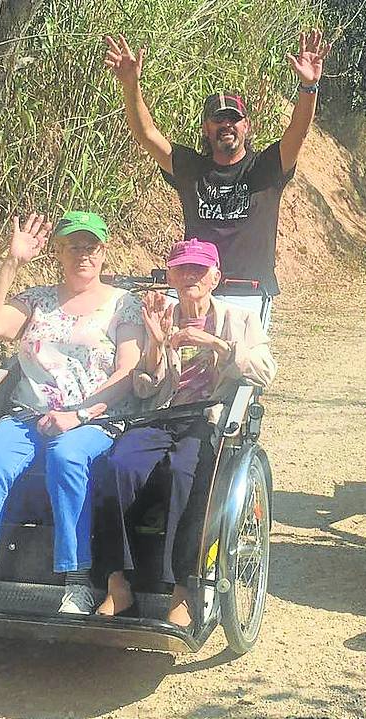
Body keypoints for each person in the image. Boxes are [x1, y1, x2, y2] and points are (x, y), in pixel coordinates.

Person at [0, 211, 143, 613]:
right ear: (58, 252)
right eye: (73, 246)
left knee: (67, 458)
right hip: (28, 413)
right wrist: (11, 261)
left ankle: (78, 582)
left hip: (92, 416)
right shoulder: (38, 299)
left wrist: (78, 415)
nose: (83, 255)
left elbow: (128, 370)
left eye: (91, 246)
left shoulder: (125, 305)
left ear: (104, 252)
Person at [92, 238, 275, 626]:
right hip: (162, 414)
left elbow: (264, 371)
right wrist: (156, 345)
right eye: (182, 269)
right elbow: (144, 386)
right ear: (171, 275)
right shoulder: (163, 313)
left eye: (199, 269)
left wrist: (218, 345)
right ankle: (118, 582)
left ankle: (182, 590)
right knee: (117, 465)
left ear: (215, 277)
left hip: (208, 419)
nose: (190, 276)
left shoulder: (239, 319)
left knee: (184, 474)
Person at [103, 30, 331, 320]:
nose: (227, 124)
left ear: (246, 126)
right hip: (195, 289)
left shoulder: (266, 168)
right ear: (205, 129)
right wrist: (130, 85)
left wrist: (309, 87)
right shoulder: (191, 168)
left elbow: (298, 131)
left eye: (234, 119)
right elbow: (147, 135)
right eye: (218, 119)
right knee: (177, 360)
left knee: (237, 364)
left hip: (248, 293)